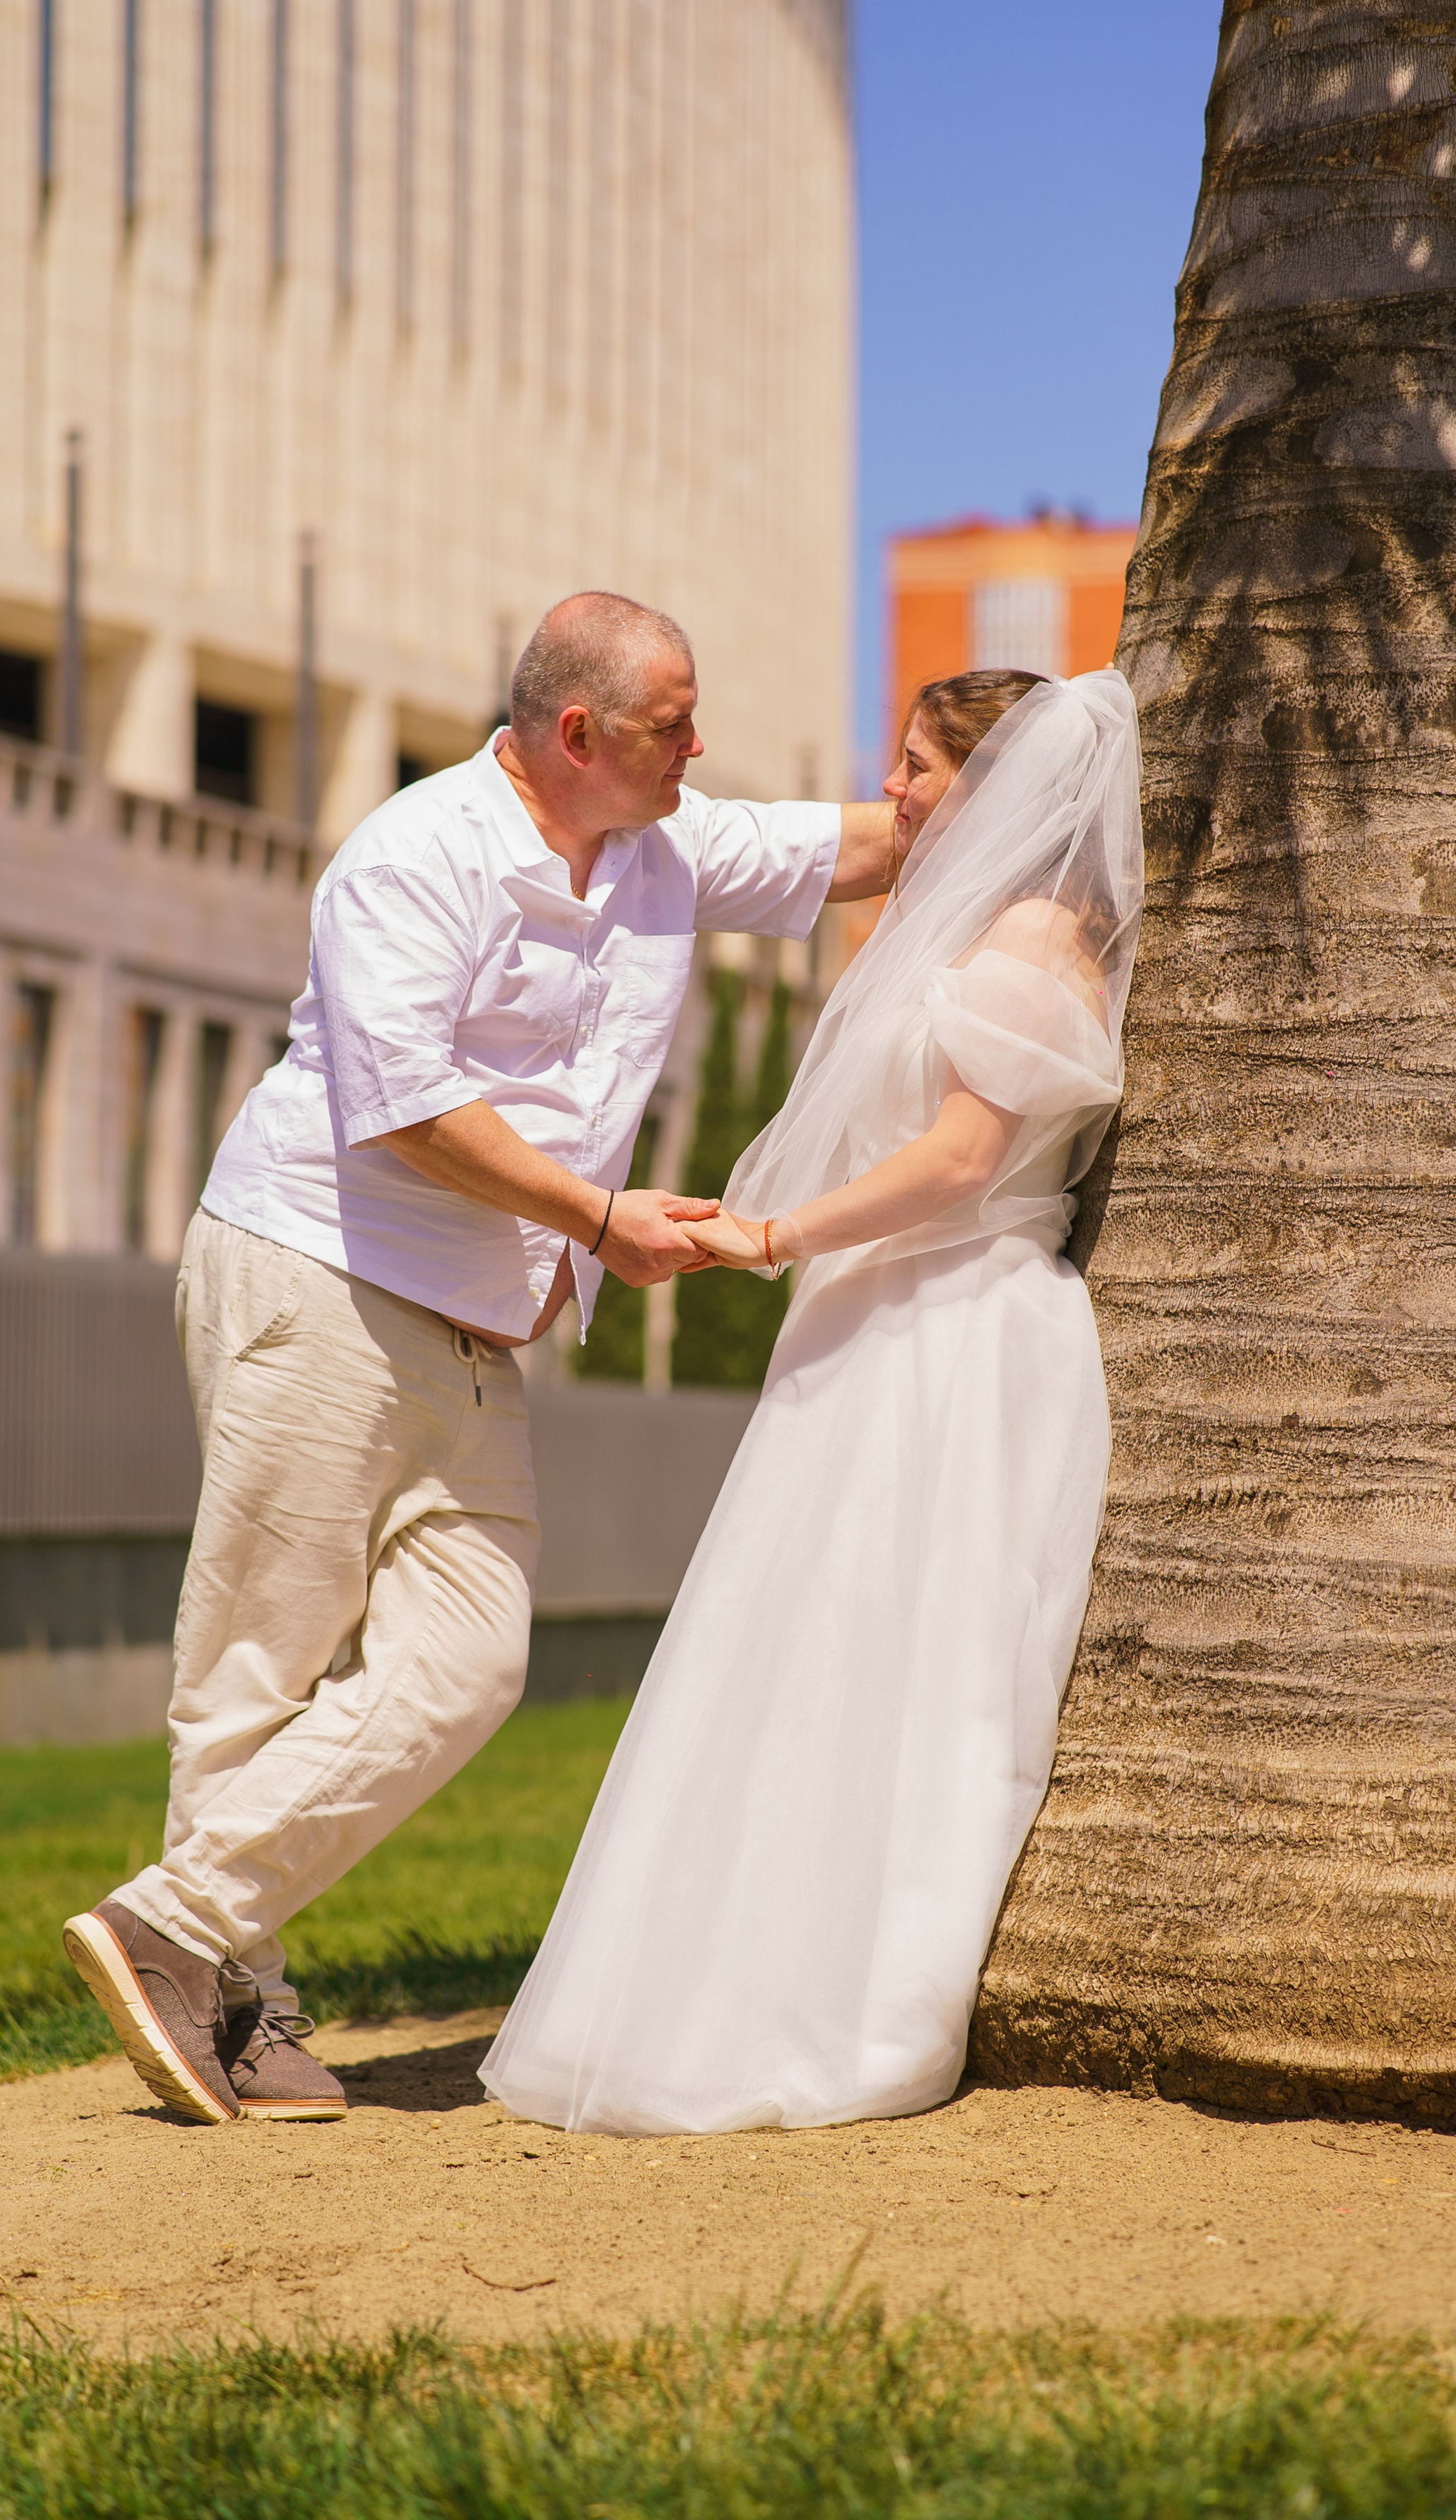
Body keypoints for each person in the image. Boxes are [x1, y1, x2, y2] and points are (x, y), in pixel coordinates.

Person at [63, 591, 892, 2126]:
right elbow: (407, 1109)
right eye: (670, 726)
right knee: (260, 1662)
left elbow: (853, 845)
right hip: (319, 1275)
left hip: (475, 1325)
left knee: (471, 1662)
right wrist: (599, 1216)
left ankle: (170, 1927)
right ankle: (239, 2010)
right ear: (574, 734)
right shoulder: (413, 854)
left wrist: (1024, 773)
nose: (695, 750)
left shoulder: (661, 844)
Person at [480, 665, 1144, 2135]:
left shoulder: (1035, 936)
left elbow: (966, 1162)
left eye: (914, 765)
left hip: (956, 1331)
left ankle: (846, 2003)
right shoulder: (955, 926)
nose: (891, 791)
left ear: (995, 784)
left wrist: (772, 1235)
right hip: (873, 1319)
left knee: (906, 1662)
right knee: (799, 1654)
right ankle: (716, 1984)